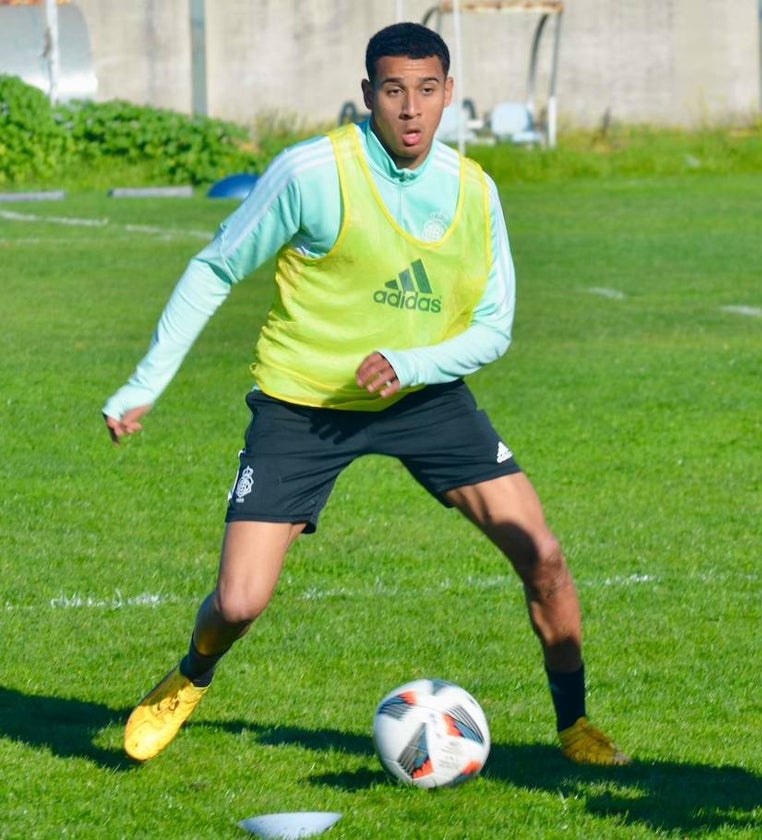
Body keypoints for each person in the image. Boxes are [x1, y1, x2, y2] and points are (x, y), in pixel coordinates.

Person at [103, 21, 629, 768]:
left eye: (425, 90)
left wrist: (412, 364)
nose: (410, 109)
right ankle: (191, 674)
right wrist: (143, 384)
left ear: (449, 94)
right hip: (305, 405)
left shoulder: (474, 192)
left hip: (423, 398)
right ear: (366, 96)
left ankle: (574, 725)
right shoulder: (312, 172)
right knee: (240, 602)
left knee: (542, 555)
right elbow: (216, 267)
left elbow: (495, 327)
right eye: (392, 90)